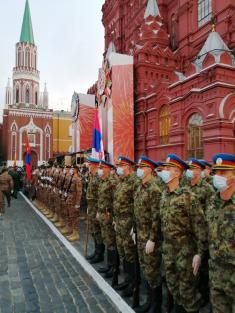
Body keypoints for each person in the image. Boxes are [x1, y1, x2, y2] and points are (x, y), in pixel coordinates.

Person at [160, 154, 208, 313]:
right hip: (168, 251)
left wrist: (199, 254)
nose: (164, 170)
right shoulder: (165, 194)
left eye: (168, 168)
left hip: (185, 253)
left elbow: (200, 227)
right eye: (164, 167)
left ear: (178, 173)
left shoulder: (188, 197)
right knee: (173, 286)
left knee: (188, 293)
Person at [133, 156, 163, 313]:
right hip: (140, 234)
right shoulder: (140, 187)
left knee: (153, 270)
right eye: (138, 166)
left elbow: (156, 217)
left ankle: (156, 305)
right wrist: (134, 229)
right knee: (145, 268)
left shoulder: (154, 190)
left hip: (150, 237)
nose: (138, 169)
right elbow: (136, 211)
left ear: (149, 170)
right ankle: (149, 301)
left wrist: (152, 239)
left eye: (142, 167)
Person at [207, 153, 235, 313]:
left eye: (223, 173)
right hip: (216, 273)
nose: (217, 176)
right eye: (216, 172)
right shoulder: (213, 201)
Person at [113, 156, 140, 308]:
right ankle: (128, 280)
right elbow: (116, 202)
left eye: (122, 165)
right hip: (120, 221)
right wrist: (115, 218)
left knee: (130, 253)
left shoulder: (134, 182)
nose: (119, 168)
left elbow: (137, 206)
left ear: (129, 167)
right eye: (118, 165)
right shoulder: (121, 181)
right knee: (123, 251)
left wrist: (134, 226)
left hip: (129, 222)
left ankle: (134, 284)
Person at [96, 160, 118, 287]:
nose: (99, 169)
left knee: (111, 241)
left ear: (108, 169)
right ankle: (109, 265)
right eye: (99, 167)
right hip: (103, 214)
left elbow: (115, 200)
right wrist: (99, 211)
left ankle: (113, 267)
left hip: (109, 215)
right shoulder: (103, 181)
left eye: (101, 167)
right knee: (107, 239)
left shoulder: (112, 182)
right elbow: (101, 199)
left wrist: (113, 216)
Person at [86, 157, 105, 264]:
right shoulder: (92, 176)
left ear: (94, 166)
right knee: (94, 231)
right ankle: (96, 251)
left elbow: (100, 196)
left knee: (98, 232)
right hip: (92, 207)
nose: (88, 167)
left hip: (97, 208)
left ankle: (100, 254)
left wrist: (98, 210)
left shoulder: (98, 178)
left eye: (90, 165)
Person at [65, 166, 82, 242]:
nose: (71, 170)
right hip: (70, 199)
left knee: (75, 217)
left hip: (74, 200)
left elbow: (79, 192)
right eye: (71, 169)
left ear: (76, 170)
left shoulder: (78, 179)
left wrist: (77, 203)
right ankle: (72, 232)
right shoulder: (72, 178)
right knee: (71, 216)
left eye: (72, 169)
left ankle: (76, 234)